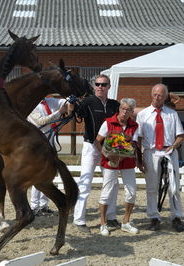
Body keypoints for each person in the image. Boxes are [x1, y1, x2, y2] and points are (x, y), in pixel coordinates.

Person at [72, 74, 120, 233]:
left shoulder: (115, 105)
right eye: (98, 84)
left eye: (104, 84)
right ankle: (79, 220)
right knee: (85, 182)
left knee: (111, 182)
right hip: (91, 146)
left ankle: (111, 216)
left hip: (110, 147)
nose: (100, 87)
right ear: (94, 86)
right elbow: (76, 113)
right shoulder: (88, 102)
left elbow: (126, 116)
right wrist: (72, 104)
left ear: (109, 86)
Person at [136, 84, 184, 232]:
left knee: (174, 186)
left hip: (169, 151)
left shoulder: (172, 114)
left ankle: (176, 217)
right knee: (152, 186)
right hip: (151, 152)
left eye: (161, 96)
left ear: (165, 97)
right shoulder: (143, 114)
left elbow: (181, 135)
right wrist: (139, 158)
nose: (157, 98)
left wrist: (174, 146)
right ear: (151, 94)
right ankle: (154, 217)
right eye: (155, 95)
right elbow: (137, 138)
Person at [94, 98, 141, 236]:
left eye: (128, 110)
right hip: (110, 161)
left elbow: (135, 145)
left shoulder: (135, 126)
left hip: (127, 162)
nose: (124, 112)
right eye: (123, 109)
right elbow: (97, 141)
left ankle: (126, 222)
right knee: (106, 193)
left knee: (132, 192)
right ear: (119, 109)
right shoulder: (108, 122)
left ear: (132, 112)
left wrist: (131, 144)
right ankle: (103, 223)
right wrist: (107, 155)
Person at [27, 97, 69, 216]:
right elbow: (42, 121)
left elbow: (62, 102)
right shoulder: (32, 105)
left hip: (50, 142)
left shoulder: (49, 101)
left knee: (49, 174)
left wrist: (69, 101)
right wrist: (59, 112)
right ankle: (34, 206)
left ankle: (43, 205)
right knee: (38, 175)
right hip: (38, 145)